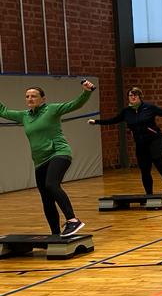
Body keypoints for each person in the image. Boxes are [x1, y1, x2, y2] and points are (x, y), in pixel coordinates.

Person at [0, 80, 95, 236]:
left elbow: (75, 104)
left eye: (34, 96)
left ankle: (72, 220)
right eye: (27, 96)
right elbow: (3, 111)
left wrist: (86, 92)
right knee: (46, 198)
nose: (30, 99)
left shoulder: (52, 109)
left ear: (43, 99)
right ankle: (55, 235)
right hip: (39, 161)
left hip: (59, 153)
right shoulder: (24, 116)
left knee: (51, 184)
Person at [89, 87, 162, 195]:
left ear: (139, 96)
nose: (133, 97)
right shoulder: (126, 112)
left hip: (155, 139)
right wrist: (96, 122)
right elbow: (113, 120)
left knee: (157, 159)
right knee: (144, 169)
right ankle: (149, 194)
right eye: (131, 95)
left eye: (135, 95)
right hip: (141, 143)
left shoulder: (149, 108)